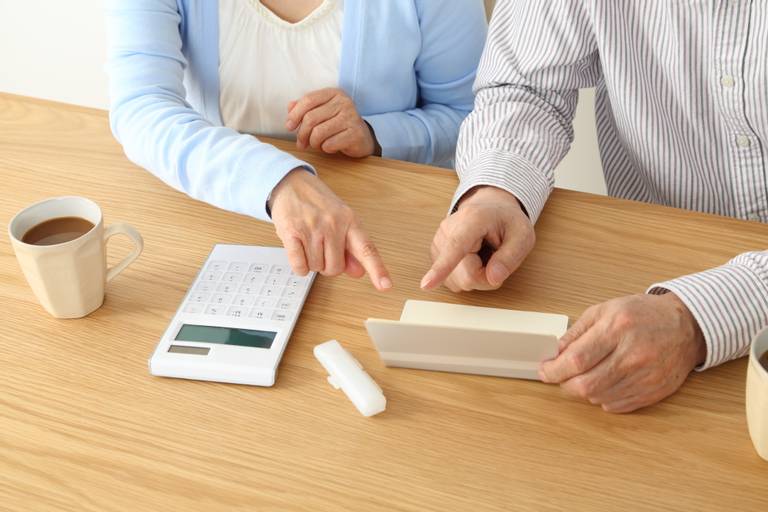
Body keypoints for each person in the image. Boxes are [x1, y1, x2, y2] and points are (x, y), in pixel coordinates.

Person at [422, 0, 768, 413]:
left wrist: (696, 316)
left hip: (679, 325)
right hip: (647, 274)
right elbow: (526, 88)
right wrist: (498, 191)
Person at [105, 0, 486, 290]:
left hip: (380, 234)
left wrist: (376, 133)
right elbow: (141, 108)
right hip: (220, 222)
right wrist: (278, 180)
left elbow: (471, 115)